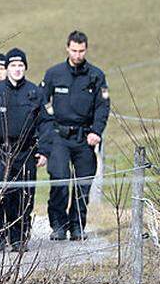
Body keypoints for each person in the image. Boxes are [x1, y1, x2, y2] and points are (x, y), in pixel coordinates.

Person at [0, 49, 52, 251]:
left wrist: (44, 150)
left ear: (25, 68)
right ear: (7, 69)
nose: (17, 69)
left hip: (25, 153)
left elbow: (46, 123)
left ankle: (18, 240)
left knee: (24, 197)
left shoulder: (34, 93)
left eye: (21, 66)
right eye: (13, 66)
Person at [40, 31, 109, 241]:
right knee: (59, 180)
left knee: (83, 184)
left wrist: (96, 131)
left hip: (85, 136)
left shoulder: (96, 76)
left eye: (81, 51)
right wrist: (49, 130)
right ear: (67, 48)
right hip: (59, 136)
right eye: (74, 50)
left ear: (86, 49)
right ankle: (58, 225)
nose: (78, 55)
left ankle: (77, 226)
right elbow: (42, 103)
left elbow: (102, 106)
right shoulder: (54, 74)